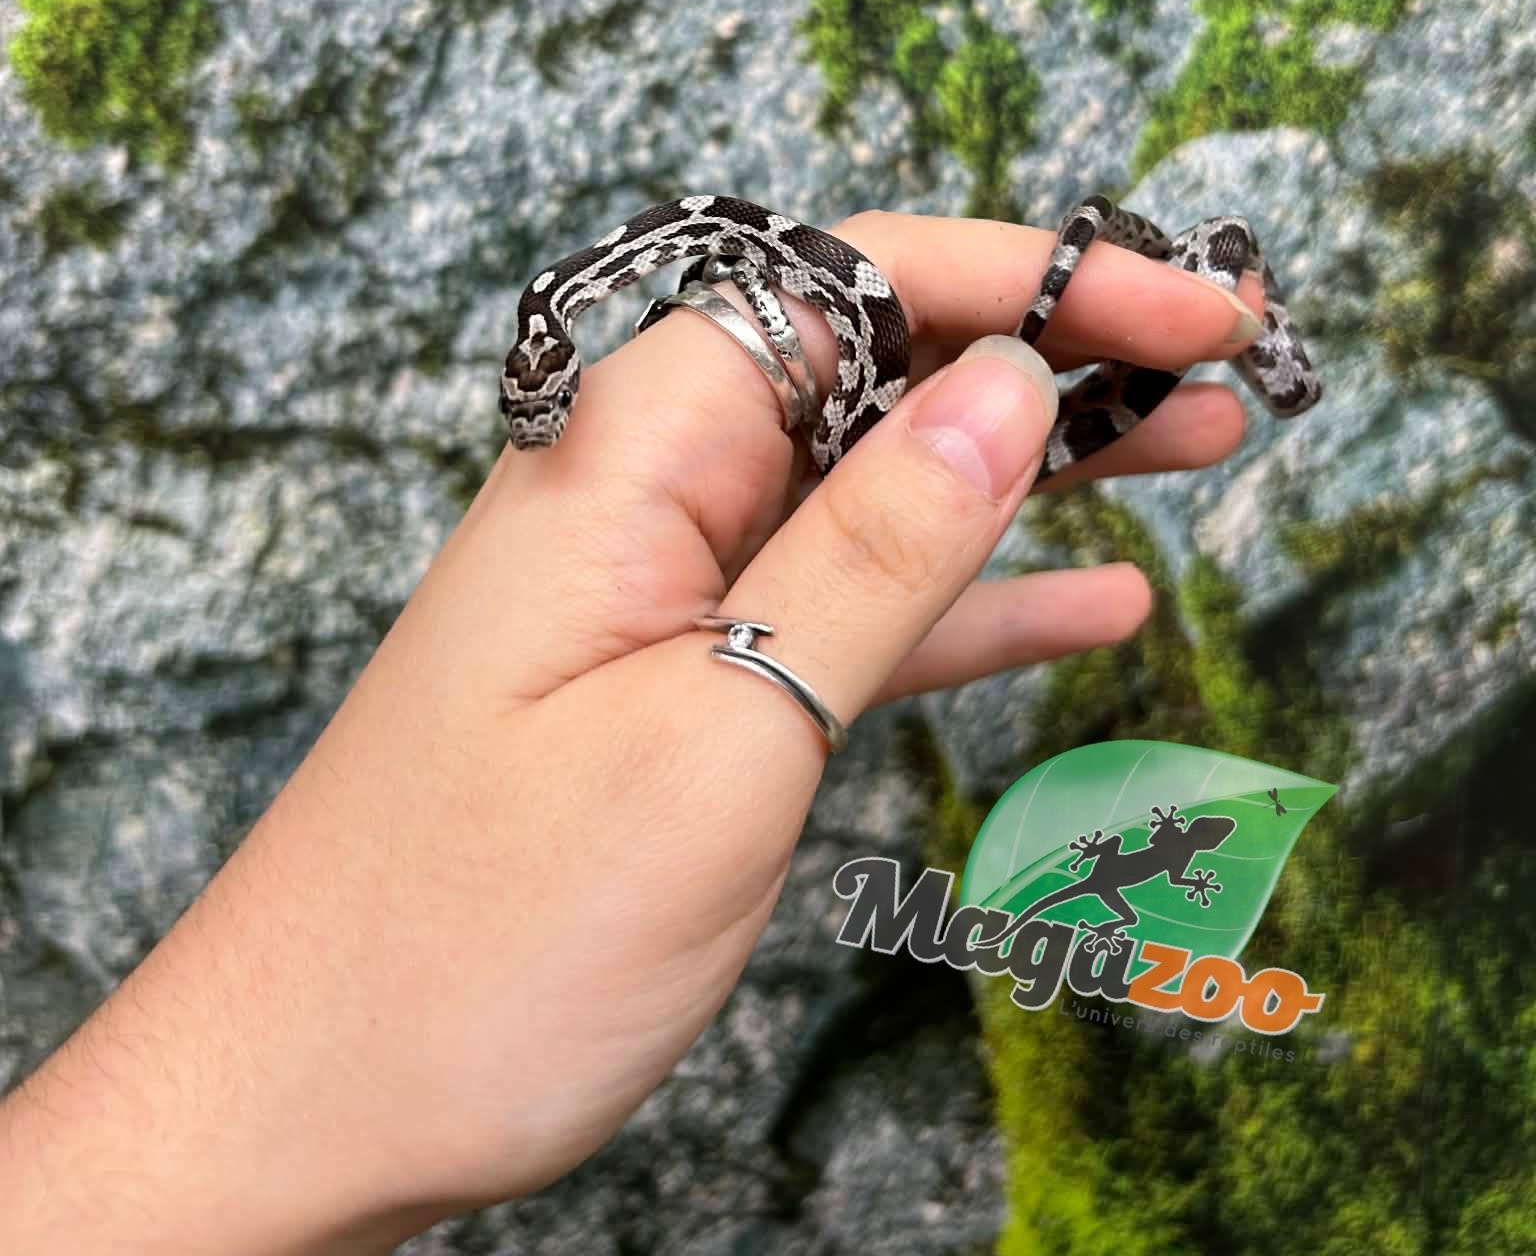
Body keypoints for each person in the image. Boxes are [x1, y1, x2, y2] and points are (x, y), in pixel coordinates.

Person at [0, 208, 1265, 1253]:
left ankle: (1189, 305)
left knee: (1146, 346)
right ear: (539, 350)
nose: (545, 425)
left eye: (553, 401)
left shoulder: (638, 280)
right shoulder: (583, 321)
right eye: (534, 407)